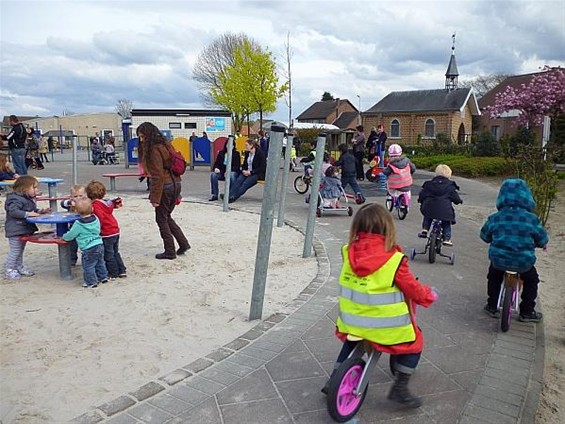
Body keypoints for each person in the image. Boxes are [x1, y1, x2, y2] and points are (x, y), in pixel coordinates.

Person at [321, 203, 436, 408]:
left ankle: (333, 379)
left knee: (351, 342)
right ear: (388, 228)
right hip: (384, 326)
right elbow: (412, 289)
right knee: (414, 342)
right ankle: (400, 387)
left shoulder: (348, 252)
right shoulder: (394, 259)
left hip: (351, 320)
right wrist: (428, 295)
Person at [480, 178, 549, 322]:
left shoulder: (495, 218)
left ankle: (492, 306)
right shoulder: (532, 219)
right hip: (523, 262)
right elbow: (542, 238)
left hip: (499, 260)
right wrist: (542, 244)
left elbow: (484, 236)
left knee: (493, 276)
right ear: (527, 197)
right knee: (532, 280)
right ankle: (527, 311)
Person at [136, 121, 190, 259]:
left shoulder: (153, 150)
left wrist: (154, 198)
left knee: (161, 219)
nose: (141, 140)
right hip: (175, 183)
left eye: (142, 137)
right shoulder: (166, 144)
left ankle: (170, 251)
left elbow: (157, 176)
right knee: (167, 216)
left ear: (148, 136)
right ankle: (183, 244)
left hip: (165, 186)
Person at [4, 175, 51, 279]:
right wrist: (27, 214)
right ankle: (9, 269)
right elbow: (14, 211)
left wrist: (40, 211)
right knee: (15, 250)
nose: (36, 190)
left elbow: (31, 209)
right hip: (15, 229)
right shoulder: (14, 199)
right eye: (34, 187)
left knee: (20, 250)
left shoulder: (27, 199)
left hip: (23, 228)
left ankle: (19, 266)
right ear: (25, 189)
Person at [62, 198, 108, 288]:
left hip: (88, 248)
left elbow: (71, 235)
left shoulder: (78, 224)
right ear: (92, 209)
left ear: (77, 211)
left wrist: (64, 237)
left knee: (88, 266)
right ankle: (103, 277)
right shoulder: (95, 218)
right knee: (99, 262)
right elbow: (98, 229)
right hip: (99, 243)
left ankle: (91, 282)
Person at [86, 180, 127, 279]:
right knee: (115, 252)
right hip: (114, 230)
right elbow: (113, 204)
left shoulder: (96, 205)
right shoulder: (106, 203)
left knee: (108, 255)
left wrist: (96, 228)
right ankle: (121, 270)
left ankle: (113, 272)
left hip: (106, 233)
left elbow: (99, 218)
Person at [417, 164, 462, 246]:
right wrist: (459, 201)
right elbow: (455, 197)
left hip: (429, 208)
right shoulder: (450, 186)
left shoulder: (429, 184)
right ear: (449, 175)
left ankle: (425, 229)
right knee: (446, 222)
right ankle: (447, 239)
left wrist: (420, 200)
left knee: (428, 216)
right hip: (445, 210)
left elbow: (422, 194)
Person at [228, 139, 266, 203]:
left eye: (247, 145)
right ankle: (228, 195)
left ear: (251, 145)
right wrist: (243, 170)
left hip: (256, 173)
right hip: (247, 171)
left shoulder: (260, 153)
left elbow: (263, 167)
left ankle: (234, 197)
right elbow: (244, 164)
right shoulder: (247, 153)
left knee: (245, 184)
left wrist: (251, 172)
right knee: (238, 180)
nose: (246, 147)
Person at [60, 185, 87, 267]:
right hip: (73, 227)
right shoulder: (70, 203)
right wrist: (69, 203)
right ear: (71, 197)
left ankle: (86, 259)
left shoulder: (86, 203)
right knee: (72, 245)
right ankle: (72, 260)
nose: (78, 198)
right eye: (75, 196)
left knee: (86, 245)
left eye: (80, 196)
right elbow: (62, 203)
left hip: (84, 227)